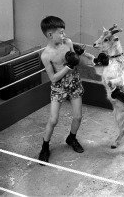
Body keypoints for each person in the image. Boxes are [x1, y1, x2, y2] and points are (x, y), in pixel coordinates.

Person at [38, 16, 94, 164]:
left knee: (78, 117)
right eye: (61, 32)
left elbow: (75, 54)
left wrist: (86, 55)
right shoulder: (46, 55)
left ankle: (71, 138)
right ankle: (45, 146)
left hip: (74, 82)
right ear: (50, 35)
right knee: (53, 119)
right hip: (58, 87)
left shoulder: (67, 42)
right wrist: (68, 67)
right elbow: (53, 78)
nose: (64, 35)